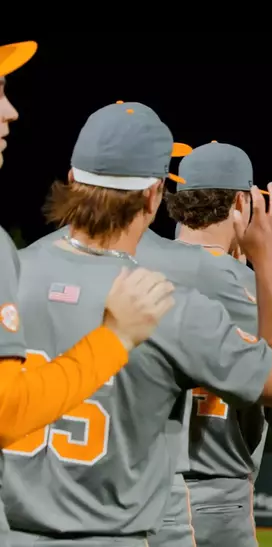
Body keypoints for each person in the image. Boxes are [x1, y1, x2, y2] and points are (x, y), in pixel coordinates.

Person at [1, 101, 272, 546]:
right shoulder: (162, 301)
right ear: (154, 195)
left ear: (72, 179)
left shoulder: (12, 270)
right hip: (112, 536)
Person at [0, 47, 175, 547]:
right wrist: (114, 338)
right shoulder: (164, 292)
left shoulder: (21, 259)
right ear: (154, 195)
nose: (11, 110)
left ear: (75, 180)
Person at [148, 142, 272, 547]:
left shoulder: (137, 260)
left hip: (131, 487)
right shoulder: (240, 281)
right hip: (211, 496)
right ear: (241, 202)